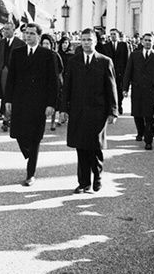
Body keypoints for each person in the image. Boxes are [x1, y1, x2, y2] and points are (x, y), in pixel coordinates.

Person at [62, 28, 118, 193]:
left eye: (89, 40)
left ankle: (97, 175)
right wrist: (63, 109)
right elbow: (67, 87)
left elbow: (111, 88)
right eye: (84, 40)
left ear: (95, 41)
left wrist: (113, 111)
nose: (86, 43)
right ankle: (84, 182)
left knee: (95, 146)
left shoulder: (105, 61)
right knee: (81, 147)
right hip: (78, 111)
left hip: (97, 112)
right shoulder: (73, 61)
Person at [4, 23, 58, 186]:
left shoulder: (48, 55)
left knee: (35, 138)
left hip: (38, 103)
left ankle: (30, 174)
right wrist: (8, 100)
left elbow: (53, 82)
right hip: (20, 101)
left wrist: (51, 104)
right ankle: (28, 153)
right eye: (26, 33)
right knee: (18, 134)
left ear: (39, 36)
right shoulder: (17, 53)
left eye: (32, 34)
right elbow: (11, 78)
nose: (28, 36)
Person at [122, 32, 154, 150]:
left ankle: (148, 141)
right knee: (137, 114)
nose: (148, 42)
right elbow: (128, 72)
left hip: (152, 90)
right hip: (137, 89)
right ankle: (140, 132)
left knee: (150, 116)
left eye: (150, 40)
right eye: (146, 40)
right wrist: (125, 88)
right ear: (142, 42)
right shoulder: (134, 55)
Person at [0, 21, 24, 131]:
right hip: (2, 73)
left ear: (14, 30)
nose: (5, 31)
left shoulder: (20, 43)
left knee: (13, 96)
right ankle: (6, 116)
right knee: (5, 94)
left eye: (8, 29)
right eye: (4, 29)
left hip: (15, 74)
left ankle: (7, 119)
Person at [101, 28, 131, 114]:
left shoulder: (124, 45)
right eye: (111, 34)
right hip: (109, 72)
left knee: (119, 90)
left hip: (120, 72)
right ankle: (112, 107)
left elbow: (127, 60)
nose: (113, 36)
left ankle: (119, 105)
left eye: (114, 34)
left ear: (118, 35)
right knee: (109, 89)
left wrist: (126, 72)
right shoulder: (105, 46)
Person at [40, 34, 63, 131]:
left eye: (47, 43)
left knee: (53, 102)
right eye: (44, 43)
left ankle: (53, 122)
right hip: (42, 82)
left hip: (53, 81)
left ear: (51, 44)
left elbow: (61, 68)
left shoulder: (55, 55)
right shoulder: (39, 54)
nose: (45, 45)